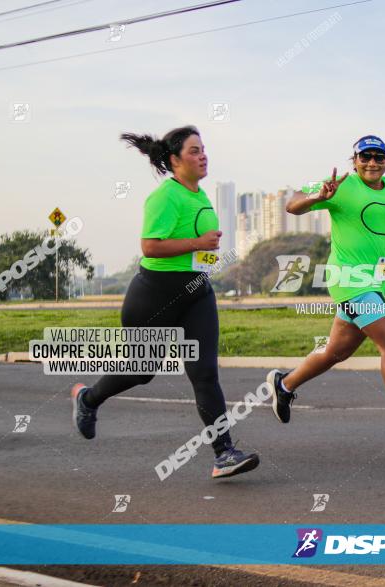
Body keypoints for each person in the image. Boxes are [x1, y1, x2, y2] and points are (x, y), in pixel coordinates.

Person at [70, 125, 259, 479]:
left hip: (196, 294)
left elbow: (197, 245)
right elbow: (150, 247)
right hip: (154, 297)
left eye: (204, 149)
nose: (203, 155)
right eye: (194, 150)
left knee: (204, 374)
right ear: (174, 160)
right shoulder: (164, 197)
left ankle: (223, 455)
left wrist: (204, 250)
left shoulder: (200, 195)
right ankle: (88, 399)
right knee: (142, 371)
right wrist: (198, 244)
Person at [266, 135, 385, 450]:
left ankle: (284, 384)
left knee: (336, 352)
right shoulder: (341, 185)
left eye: (379, 157)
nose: (372, 163)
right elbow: (292, 203)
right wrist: (317, 197)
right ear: (354, 160)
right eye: (365, 157)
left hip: (375, 282)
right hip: (349, 281)